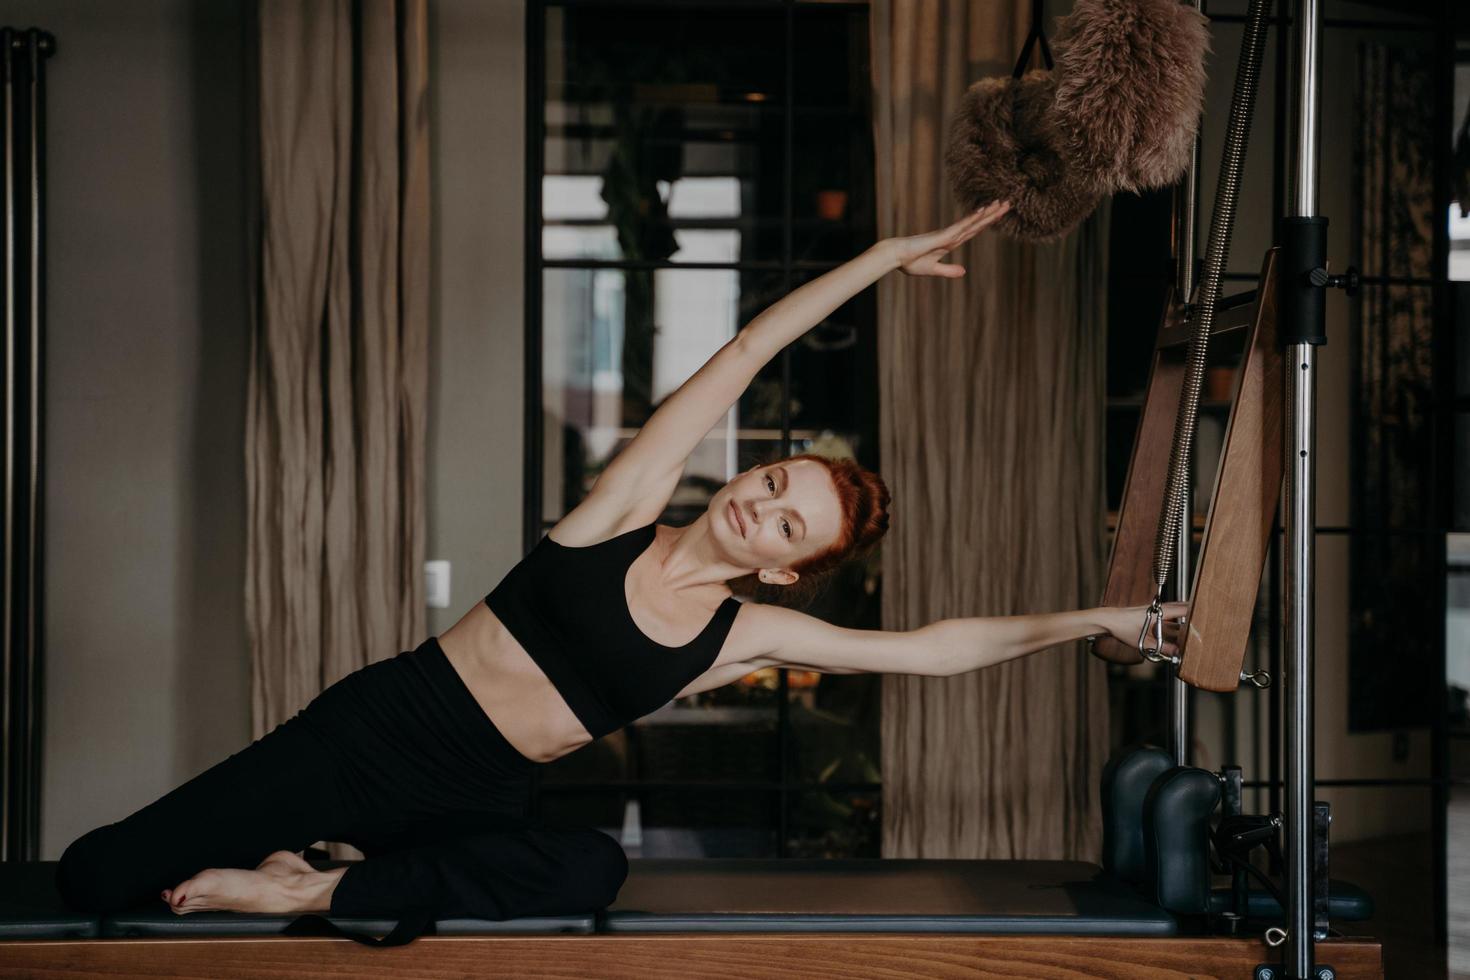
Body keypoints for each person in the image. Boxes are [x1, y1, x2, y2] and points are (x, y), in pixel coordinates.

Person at [56, 200, 1184, 940]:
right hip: (373, 736)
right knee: (98, 875)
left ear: (786, 574)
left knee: (589, 869)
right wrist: (883, 260)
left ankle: (313, 884)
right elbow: (748, 352)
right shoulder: (622, 511)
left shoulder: (744, 634)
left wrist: (1099, 614)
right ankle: (335, 870)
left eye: (789, 526)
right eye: (779, 479)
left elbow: (938, 651)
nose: (764, 501)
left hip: (474, 800)